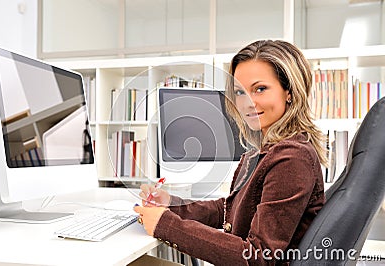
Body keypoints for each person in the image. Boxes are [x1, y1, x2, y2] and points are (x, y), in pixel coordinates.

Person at [134, 39, 327, 265]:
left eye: (260, 89)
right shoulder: (262, 151)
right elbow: (228, 209)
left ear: (290, 92)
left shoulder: (291, 158)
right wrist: (170, 204)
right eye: (240, 92)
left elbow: (258, 257)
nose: (248, 103)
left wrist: (167, 225)